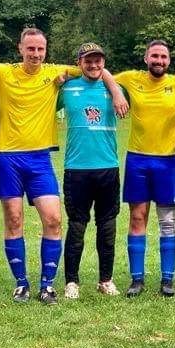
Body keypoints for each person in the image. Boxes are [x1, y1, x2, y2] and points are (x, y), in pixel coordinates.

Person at [0, 30, 127, 304]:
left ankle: (47, 285)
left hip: (40, 158)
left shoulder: (56, 72)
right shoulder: (3, 72)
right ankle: (21, 283)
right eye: (30, 48)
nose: (36, 54)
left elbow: (98, 68)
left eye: (40, 49)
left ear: (46, 50)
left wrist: (115, 92)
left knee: (53, 219)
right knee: (14, 219)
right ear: (20, 48)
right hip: (7, 157)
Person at [115, 39, 175, 298]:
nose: (159, 61)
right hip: (138, 159)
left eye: (163, 57)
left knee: (167, 219)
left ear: (169, 60)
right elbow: (105, 76)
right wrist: (118, 92)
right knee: (137, 217)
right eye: (154, 56)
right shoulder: (132, 78)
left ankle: (167, 280)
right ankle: (137, 279)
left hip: (167, 160)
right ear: (146, 58)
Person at [59, 43, 120, 299]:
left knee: (107, 227)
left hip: (108, 168)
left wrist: (116, 91)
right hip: (77, 169)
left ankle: (105, 280)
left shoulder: (115, 88)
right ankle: (72, 281)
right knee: (76, 226)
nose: (94, 65)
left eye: (98, 60)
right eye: (88, 61)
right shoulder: (66, 88)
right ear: (79, 62)